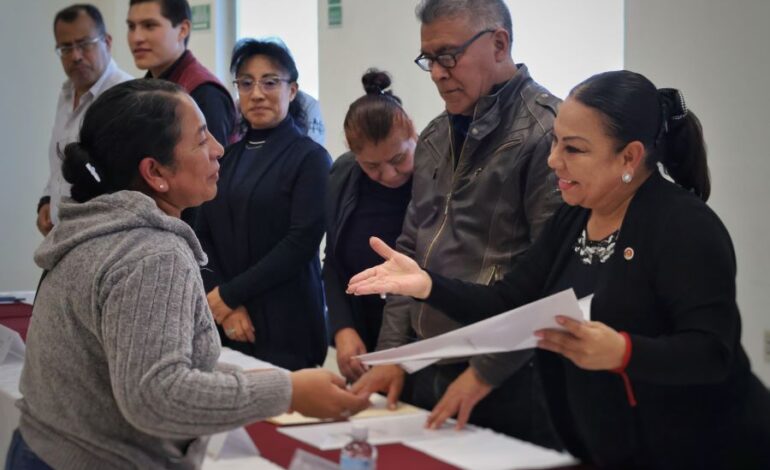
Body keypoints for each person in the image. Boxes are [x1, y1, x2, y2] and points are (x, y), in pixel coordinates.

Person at [348, 70, 770, 469]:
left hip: (703, 447)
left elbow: (711, 353)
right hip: (610, 444)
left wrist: (624, 351)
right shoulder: (574, 217)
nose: (553, 161)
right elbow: (510, 300)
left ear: (630, 156)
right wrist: (427, 285)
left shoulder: (685, 226)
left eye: (573, 149)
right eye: (555, 143)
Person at [9, 79, 368, 470]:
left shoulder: (93, 226)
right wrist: (288, 392)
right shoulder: (151, 253)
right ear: (156, 172)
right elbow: (156, 395)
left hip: (43, 447)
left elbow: (139, 360)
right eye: (201, 141)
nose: (218, 149)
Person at [351, 0, 562, 448]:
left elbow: (551, 282)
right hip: (428, 363)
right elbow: (405, 257)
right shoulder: (432, 136)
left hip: (510, 377)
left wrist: (484, 374)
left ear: (499, 44)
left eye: (449, 55)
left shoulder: (549, 136)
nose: (437, 72)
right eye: (429, 58)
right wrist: (392, 355)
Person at [195, 39, 331, 371]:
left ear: (293, 90)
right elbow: (201, 234)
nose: (257, 93)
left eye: (270, 82)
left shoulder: (310, 158)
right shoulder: (226, 158)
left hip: (289, 320)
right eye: (246, 83)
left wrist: (228, 296)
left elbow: (300, 242)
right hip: (229, 321)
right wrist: (224, 301)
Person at [324, 69, 417, 382]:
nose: (389, 175)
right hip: (363, 329)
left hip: (420, 338)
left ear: (414, 135)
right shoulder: (342, 176)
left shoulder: (437, 181)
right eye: (372, 166)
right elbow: (334, 263)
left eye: (399, 159)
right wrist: (342, 328)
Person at [127, 0, 236, 226]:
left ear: (183, 29)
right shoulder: (146, 90)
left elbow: (207, 186)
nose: (136, 37)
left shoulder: (204, 92)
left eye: (149, 26)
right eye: (131, 26)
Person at [37, 4, 132, 237]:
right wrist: (48, 199)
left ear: (107, 42)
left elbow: (125, 184)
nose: (76, 56)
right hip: (63, 236)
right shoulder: (67, 93)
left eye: (84, 44)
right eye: (66, 48)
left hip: (102, 239)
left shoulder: (126, 97)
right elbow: (61, 159)